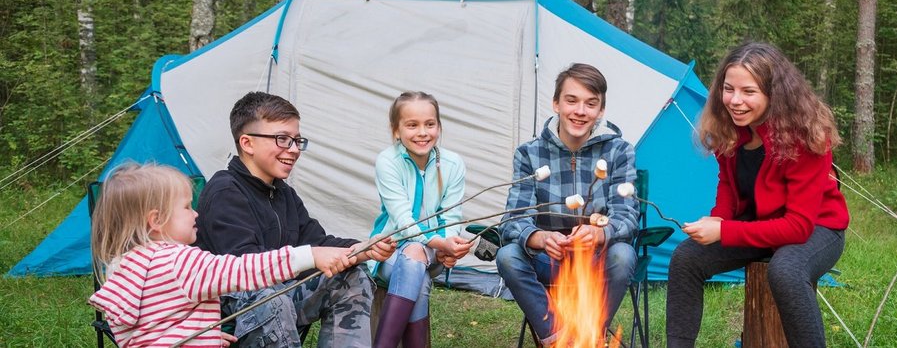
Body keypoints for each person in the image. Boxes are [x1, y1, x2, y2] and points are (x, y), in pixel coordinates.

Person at [666, 42, 849, 348]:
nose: (735, 101)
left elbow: (797, 227)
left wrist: (724, 230)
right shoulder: (731, 126)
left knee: (786, 271)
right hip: (759, 221)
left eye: (748, 92)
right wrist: (719, 219)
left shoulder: (806, 135)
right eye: (728, 89)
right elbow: (728, 183)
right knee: (686, 258)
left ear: (773, 94)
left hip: (817, 228)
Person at [194, 91, 395, 347]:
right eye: (282, 139)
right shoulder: (225, 191)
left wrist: (365, 248)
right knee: (268, 296)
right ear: (247, 143)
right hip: (231, 312)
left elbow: (318, 241)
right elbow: (244, 272)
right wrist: (311, 255)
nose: (293, 149)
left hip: (280, 294)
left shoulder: (283, 192)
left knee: (350, 278)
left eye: (297, 140)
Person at [87, 163, 358, 347]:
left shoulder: (122, 268)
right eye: (185, 207)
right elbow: (246, 270)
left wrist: (198, 338)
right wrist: (310, 255)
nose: (196, 213)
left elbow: (141, 333)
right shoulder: (180, 262)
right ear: (156, 220)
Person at [495, 63, 639, 346]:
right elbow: (513, 219)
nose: (580, 111)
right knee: (508, 256)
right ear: (556, 103)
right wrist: (538, 237)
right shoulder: (529, 153)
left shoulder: (619, 151)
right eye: (571, 101)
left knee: (623, 255)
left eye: (590, 104)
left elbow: (627, 215)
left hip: (597, 259)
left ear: (601, 110)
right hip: (549, 259)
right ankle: (560, 338)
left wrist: (599, 234)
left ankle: (590, 334)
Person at [369, 91, 471, 348]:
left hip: (433, 253)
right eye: (412, 125)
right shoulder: (388, 161)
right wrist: (439, 243)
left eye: (430, 124)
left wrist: (450, 247)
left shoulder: (453, 163)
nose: (422, 132)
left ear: (439, 126)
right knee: (417, 266)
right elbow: (403, 220)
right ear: (396, 130)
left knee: (417, 253)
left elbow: (452, 215)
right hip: (389, 252)